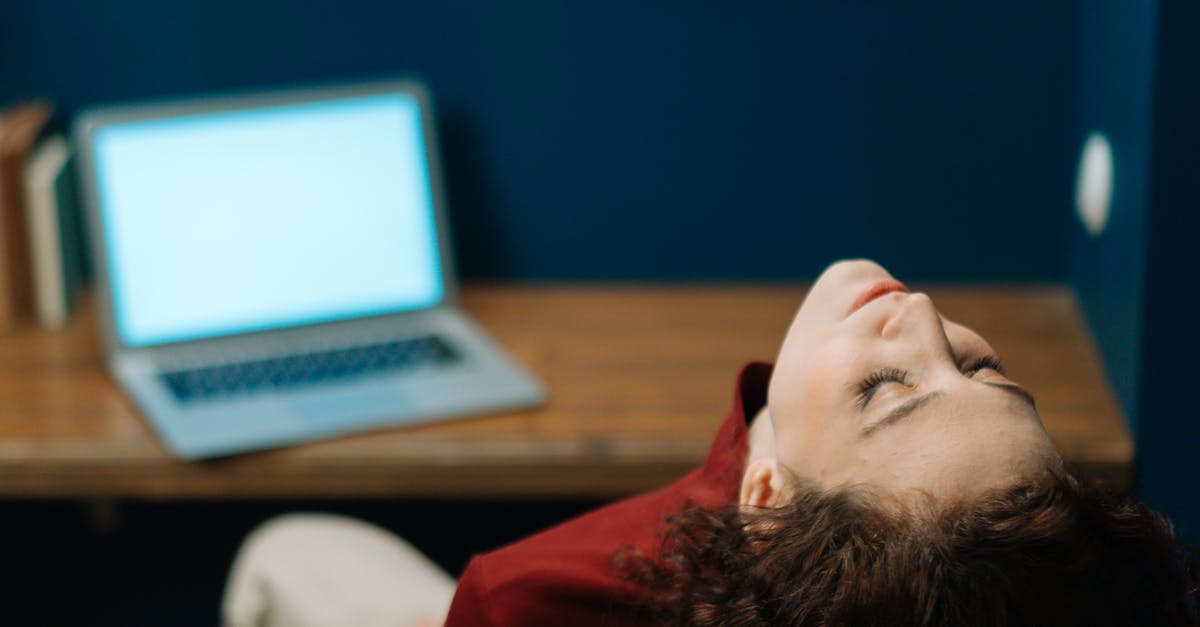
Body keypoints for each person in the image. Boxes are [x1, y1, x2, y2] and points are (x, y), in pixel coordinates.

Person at [224, 259, 1198, 627]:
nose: (930, 318)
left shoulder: (524, 602)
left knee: (287, 552)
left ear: (767, 500)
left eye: (886, 389)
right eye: (985, 375)